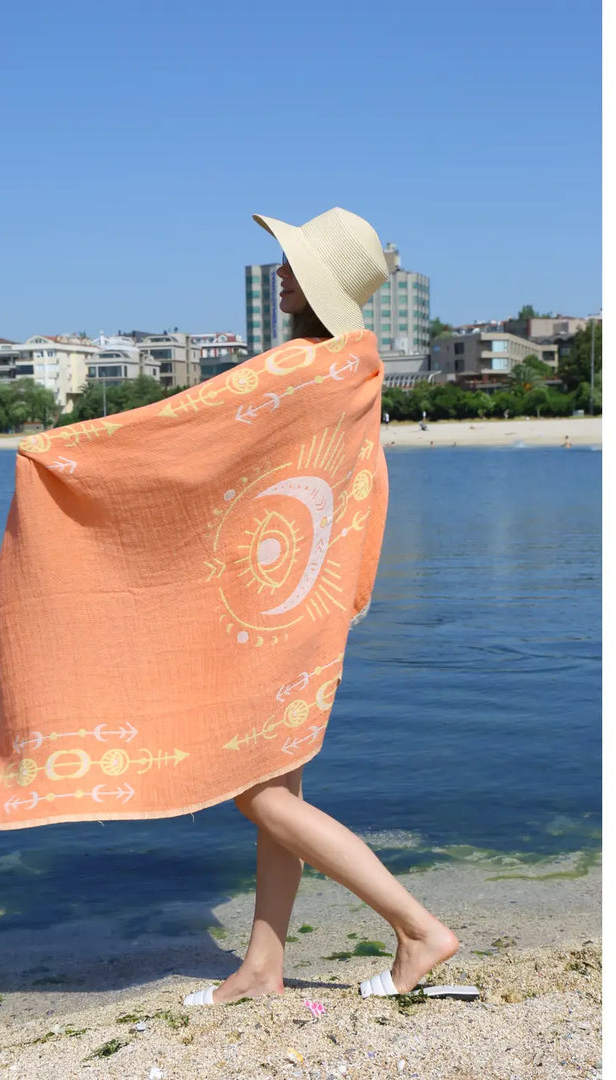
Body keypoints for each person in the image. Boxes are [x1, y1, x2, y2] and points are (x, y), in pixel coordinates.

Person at [185, 209, 459, 1006]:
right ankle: (264, 967)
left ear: (317, 287)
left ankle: (417, 928)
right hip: (305, 597)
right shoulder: (349, 369)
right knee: (281, 793)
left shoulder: (304, 370)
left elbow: (194, 441)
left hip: (276, 606)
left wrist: (76, 456)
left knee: (255, 791)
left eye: (290, 265)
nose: (278, 274)